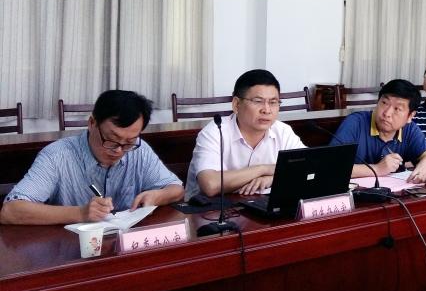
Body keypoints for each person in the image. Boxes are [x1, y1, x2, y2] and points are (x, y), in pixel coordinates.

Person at [1, 90, 183, 226]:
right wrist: (80, 213)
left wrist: (157, 196)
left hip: (123, 249)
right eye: (111, 139)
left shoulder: (139, 150)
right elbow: (10, 211)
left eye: (129, 142)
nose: (118, 150)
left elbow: (176, 189)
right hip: (71, 252)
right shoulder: (57, 156)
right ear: (92, 123)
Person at [185, 69, 306, 201]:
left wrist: (273, 178)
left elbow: (309, 167)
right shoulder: (215, 131)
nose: (266, 110)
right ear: (236, 104)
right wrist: (263, 169)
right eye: (258, 101)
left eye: (273, 102)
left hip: (259, 203)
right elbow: (210, 185)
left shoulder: (283, 131)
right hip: (210, 208)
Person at [330, 79, 426, 183]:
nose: (387, 113)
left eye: (397, 109)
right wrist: (377, 169)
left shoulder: (409, 130)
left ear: (410, 116)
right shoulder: (355, 123)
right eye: (384, 103)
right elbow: (331, 167)